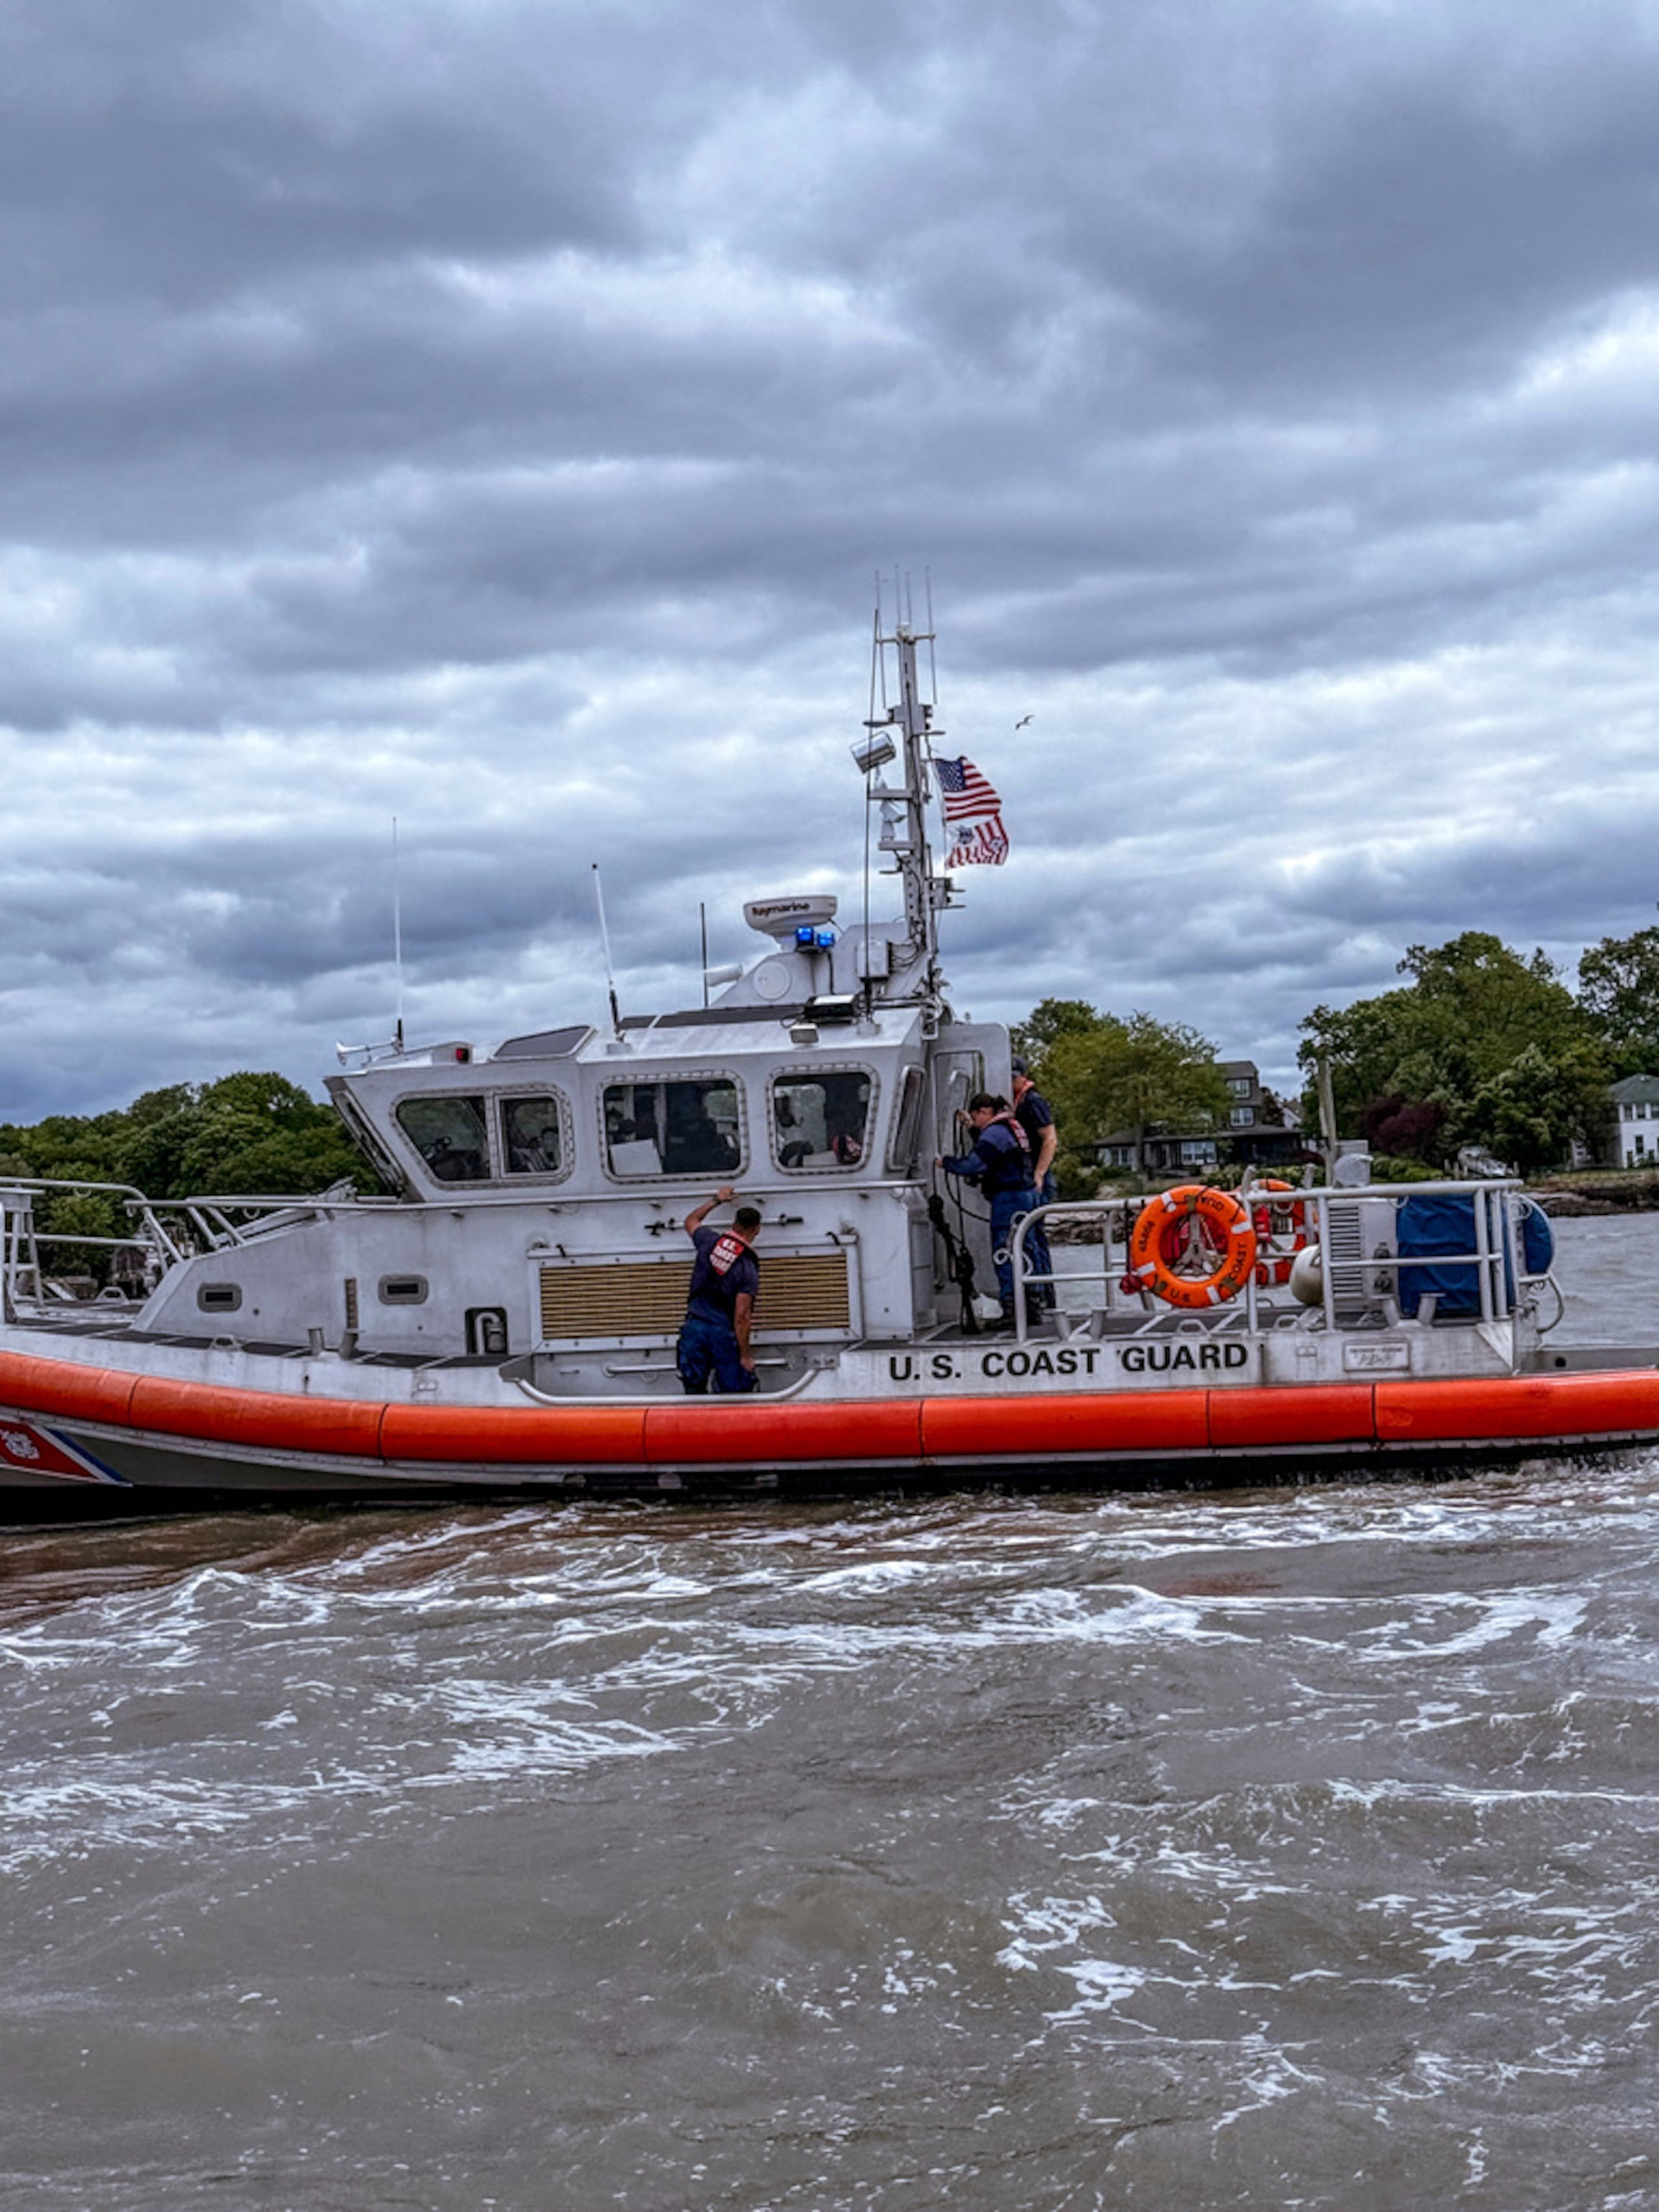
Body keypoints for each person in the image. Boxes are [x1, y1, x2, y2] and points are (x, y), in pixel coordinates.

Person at [937, 1093, 1041, 1329]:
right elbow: (995, 1150)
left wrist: (948, 1163)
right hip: (1026, 1196)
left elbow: (977, 1163)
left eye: (977, 1117)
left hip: (1008, 1198)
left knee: (1004, 1251)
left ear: (984, 1112)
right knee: (1026, 1251)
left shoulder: (995, 1132)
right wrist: (970, 1128)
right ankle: (1032, 1305)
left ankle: (1012, 1309)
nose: (977, 1122)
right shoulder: (1012, 1127)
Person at [676, 1183, 763, 1393]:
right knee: (733, 1394)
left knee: (693, 1389)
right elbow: (742, 1315)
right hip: (722, 1334)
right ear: (757, 1230)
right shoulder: (747, 1267)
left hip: (694, 1328)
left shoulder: (708, 1241)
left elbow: (691, 1221)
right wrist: (745, 1355)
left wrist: (717, 1200)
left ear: (734, 1225)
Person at [1010, 1055, 1058, 1309]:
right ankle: (1039, 1294)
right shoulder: (1017, 1103)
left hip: (1037, 1178)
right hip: (1028, 1176)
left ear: (1022, 1077)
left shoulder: (1033, 1102)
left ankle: (1044, 1296)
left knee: (1035, 1236)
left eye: (1013, 1078)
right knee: (1031, 1236)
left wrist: (1040, 1172)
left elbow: (1050, 1139)